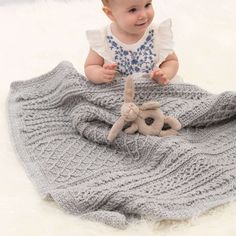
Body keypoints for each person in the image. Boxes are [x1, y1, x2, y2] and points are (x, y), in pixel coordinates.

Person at [84, 0, 179, 85]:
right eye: (133, 10)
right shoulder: (102, 38)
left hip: (154, 89)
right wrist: (100, 74)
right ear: (111, 13)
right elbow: (91, 66)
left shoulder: (157, 34)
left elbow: (171, 61)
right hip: (117, 92)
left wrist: (164, 74)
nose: (143, 15)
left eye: (147, 5)